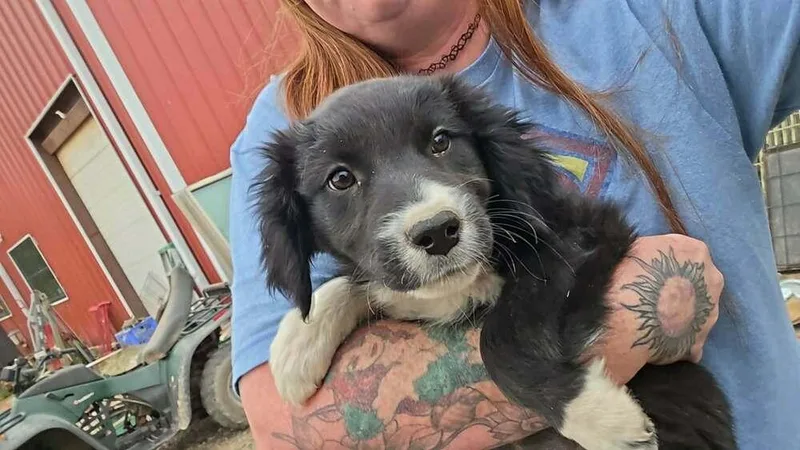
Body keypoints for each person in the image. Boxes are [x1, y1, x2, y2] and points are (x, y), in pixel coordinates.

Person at [229, 1, 800, 448]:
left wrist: (528, 362)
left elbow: (575, 237)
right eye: (342, 180)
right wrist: (339, 299)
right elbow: (285, 422)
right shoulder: (284, 122)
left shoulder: (640, 13)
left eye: (439, 143)